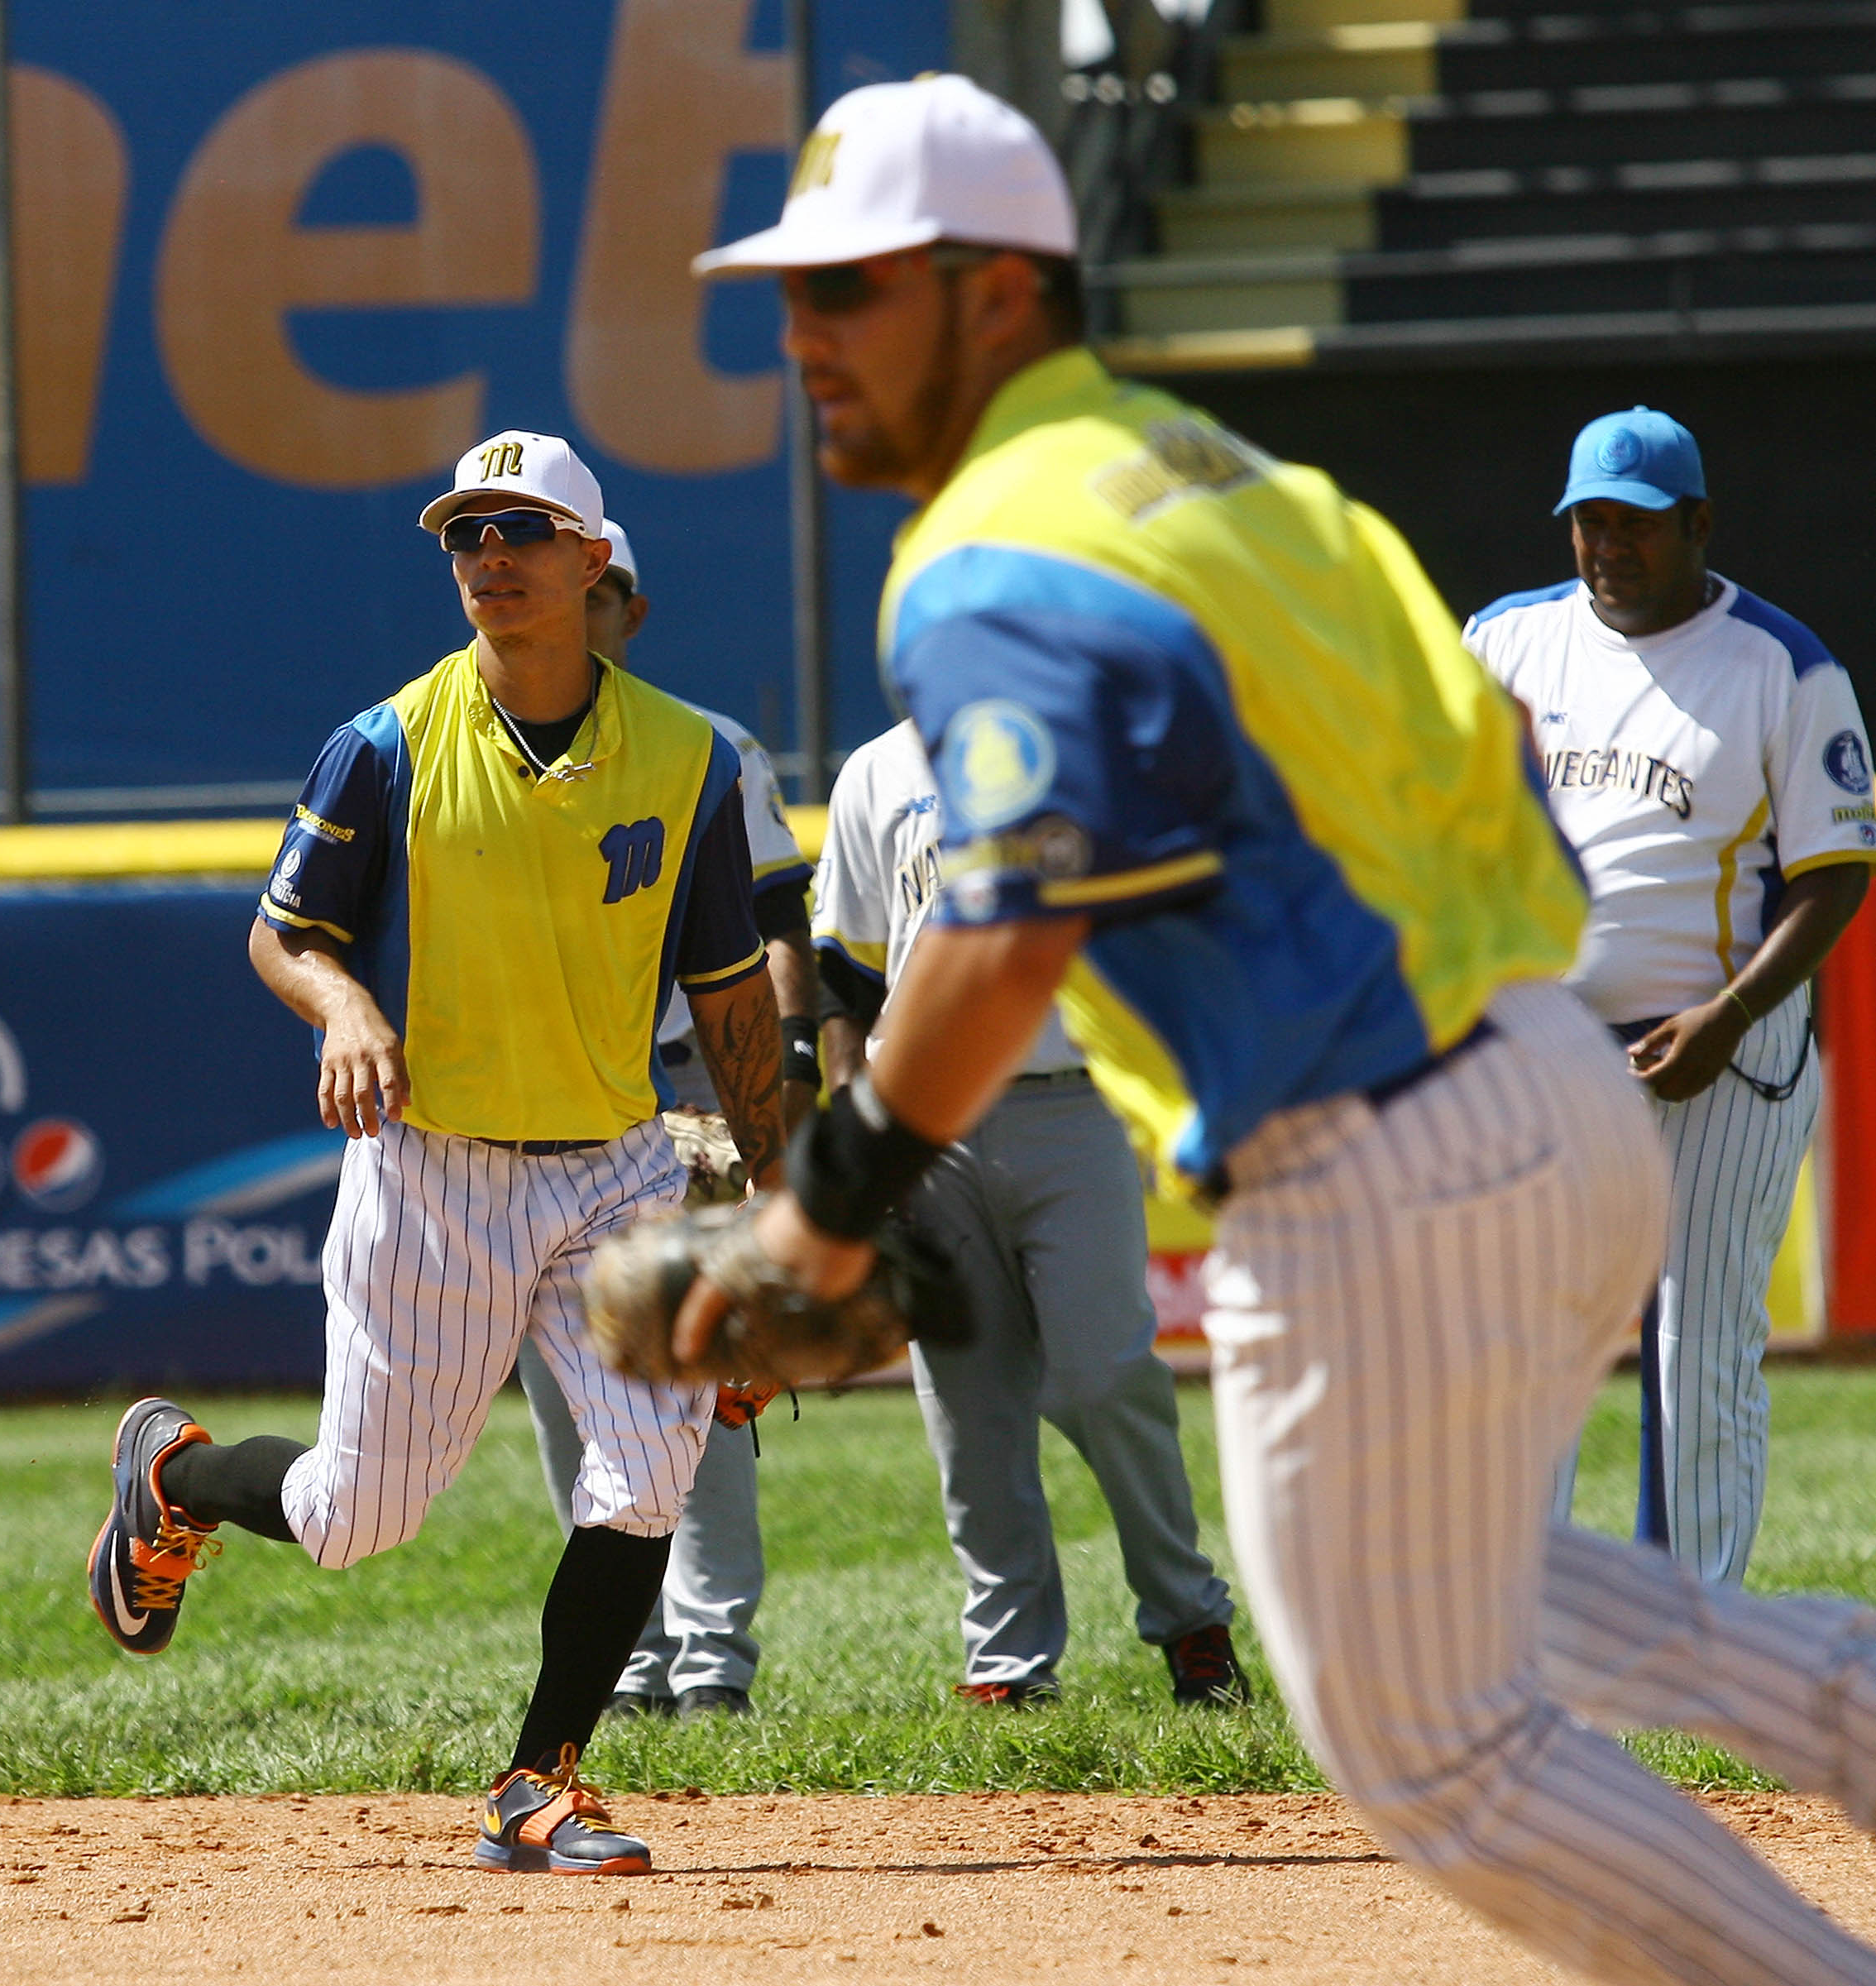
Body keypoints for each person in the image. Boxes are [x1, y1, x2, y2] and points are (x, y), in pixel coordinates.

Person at [690, 73, 1876, 1983]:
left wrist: (814, 1214)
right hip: (1538, 1081)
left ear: (1000, 295)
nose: (798, 336)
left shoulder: (992, 549)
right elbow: (1488, 751)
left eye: (852, 288)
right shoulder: (1231, 478)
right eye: (791, 293)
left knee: (1426, 1742)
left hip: (1377, 1151)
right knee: (1492, 1597)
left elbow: (1000, 933)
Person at [87, 431, 781, 1876]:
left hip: (616, 1166)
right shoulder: (388, 742)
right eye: (466, 534)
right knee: (357, 1518)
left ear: (596, 560)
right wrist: (343, 1005)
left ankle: (539, 1778)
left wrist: (779, 1210)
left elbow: (729, 993)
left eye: (523, 530)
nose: (489, 558)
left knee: (652, 1472)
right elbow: (285, 932)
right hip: (435, 1164)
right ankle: (175, 1469)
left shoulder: (689, 757)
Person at [1463, 411, 1873, 1587]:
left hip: (1721, 1055)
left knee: (1694, 1348)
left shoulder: (1784, 666)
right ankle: (1522, 1620)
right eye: (1589, 520)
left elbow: (1834, 873)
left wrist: (1732, 1016)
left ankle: (1690, 1635)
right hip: (1543, 1052)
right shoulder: (1505, 640)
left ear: (1697, 523)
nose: (1607, 545)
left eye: (1635, 523)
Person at [816, 721, 1239, 1707]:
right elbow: (845, 970)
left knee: (1105, 1372)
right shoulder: (875, 767)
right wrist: (854, 1122)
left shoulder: (1073, 742)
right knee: (966, 1403)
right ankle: (1008, 1658)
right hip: (925, 1113)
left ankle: (1189, 1617)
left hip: (1071, 1099)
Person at [514, 518, 815, 1722]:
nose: (582, 609)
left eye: (606, 590)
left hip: (689, 1096)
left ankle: (711, 1658)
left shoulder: (712, 748)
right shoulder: (483, 748)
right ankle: (624, 1657)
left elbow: (777, 925)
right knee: (565, 1396)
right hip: (552, 1107)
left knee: (701, 1382)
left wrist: (774, 1099)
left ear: (625, 609)